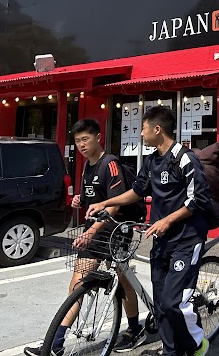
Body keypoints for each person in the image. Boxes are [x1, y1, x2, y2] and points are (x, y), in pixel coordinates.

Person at [86, 105, 212, 356]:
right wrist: (106, 202)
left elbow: (199, 198)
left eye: (143, 129)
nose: (141, 134)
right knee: (162, 303)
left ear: (157, 129)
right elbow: (136, 192)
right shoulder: (153, 161)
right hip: (162, 241)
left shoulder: (184, 158)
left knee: (175, 302)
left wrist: (167, 220)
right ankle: (170, 350)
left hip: (187, 239)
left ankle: (198, 344)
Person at [24, 119, 146, 356]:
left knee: (121, 282)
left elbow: (112, 206)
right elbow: (95, 200)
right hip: (94, 232)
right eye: (77, 140)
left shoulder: (109, 164)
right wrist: (81, 199)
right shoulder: (87, 167)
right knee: (78, 284)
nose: (80, 144)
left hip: (115, 231)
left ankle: (134, 329)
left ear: (98, 138)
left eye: (85, 139)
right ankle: (56, 343)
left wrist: (90, 232)